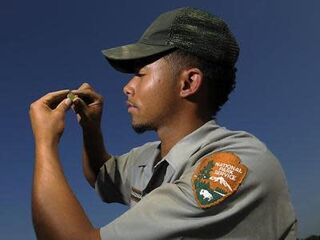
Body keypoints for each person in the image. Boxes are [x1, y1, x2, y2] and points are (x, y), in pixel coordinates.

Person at [29, 7, 297, 240]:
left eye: (141, 74)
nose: (127, 87)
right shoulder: (150, 157)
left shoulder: (233, 164)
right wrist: (90, 127)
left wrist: (45, 143)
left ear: (188, 83)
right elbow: (100, 176)